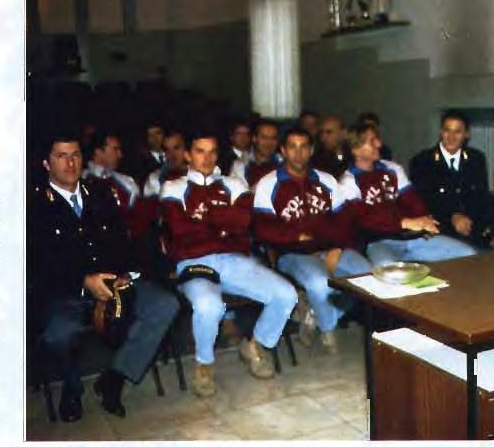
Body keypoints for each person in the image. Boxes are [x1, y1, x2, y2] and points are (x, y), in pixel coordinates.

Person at [29, 130, 179, 422]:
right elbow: (38, 264)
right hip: (67, 293)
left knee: (165, 304)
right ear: (46, 163)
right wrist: (84, 280)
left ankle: (115, 377)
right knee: (59, 335)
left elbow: (121, 242)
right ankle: (72, 387)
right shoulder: (34, 206)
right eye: (61, 156)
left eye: (75, 155)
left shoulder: (99, 193)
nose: (70, 163)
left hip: (113, 285)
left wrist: (124, 273)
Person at [160, 129, 297, 391]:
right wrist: (222, 225)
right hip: (193, 262)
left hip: (233, 260)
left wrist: (204, 223)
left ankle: (255, 345)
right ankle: (204, 364)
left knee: (286, 294)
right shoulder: (173, 187)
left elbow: (243, 222)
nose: (207, 158)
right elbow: (180, 231)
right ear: (187, 155)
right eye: (200, 151)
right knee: (209, 305)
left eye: (212, 152)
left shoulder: (234, 183)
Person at [253, 127, 372, 354]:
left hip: (330, 248)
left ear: (311, 150)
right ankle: (328, 330)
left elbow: (345, 221)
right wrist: (295, 237)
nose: (298, 153)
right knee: (319, 283)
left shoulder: (326, 180)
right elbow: (262, 228)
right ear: (283, 151)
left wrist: (338, 247)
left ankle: (314, 314)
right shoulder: (269, 183)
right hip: (292, 253)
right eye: (292, 147)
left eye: (303, 147)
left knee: (367, 278)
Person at [340, 122, 477, 267]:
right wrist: (404, 222)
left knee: (468, 254)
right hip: (378, 242)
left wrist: (424, 220)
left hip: (410, 237)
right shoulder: (348, 180)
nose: (379, 144)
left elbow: (413, 201)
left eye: (377, 139)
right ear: (356, 149)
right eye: (372, 141)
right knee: (388, 267)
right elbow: (364, 219)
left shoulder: (392, 169)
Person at [409, 111, 494, 250]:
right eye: (447, 130)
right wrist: (453, 216)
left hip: (476, 229)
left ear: (467, 135)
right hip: (442, 232)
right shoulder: (422, 161)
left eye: (457, 132)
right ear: (441, 132)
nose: (451, 137)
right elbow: (423, 202)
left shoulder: (476, 159)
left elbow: (483, 195)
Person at [83, 131, 140, 229]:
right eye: (115, 149)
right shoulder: (78, 181)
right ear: (98, 152)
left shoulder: (127, 184)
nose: (120, 155)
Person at [229, 119, 282, 188]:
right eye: (264, 137)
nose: (269, 143)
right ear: (254, 139)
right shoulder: (240, 165)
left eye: (273, 138)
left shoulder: (284, 164)